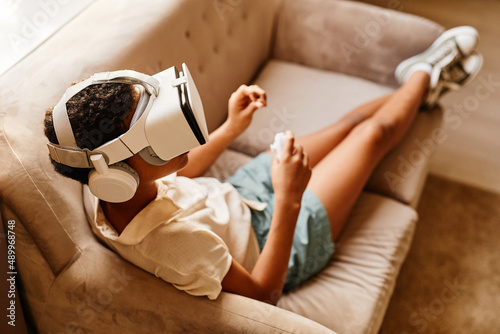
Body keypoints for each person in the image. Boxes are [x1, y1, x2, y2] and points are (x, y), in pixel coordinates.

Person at [44, 26, 482, 305]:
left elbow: (182, 174)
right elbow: (264, 294)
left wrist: (231, 129)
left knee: (348, 122)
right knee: (371, 137)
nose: (183, 136)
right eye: (158, 137)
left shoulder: (101, 182)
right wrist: (290, 197)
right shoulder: (174, 244)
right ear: (117, 176)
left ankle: (419, 83)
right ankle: (428, 73)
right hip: (282, 239)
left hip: (240, 191)